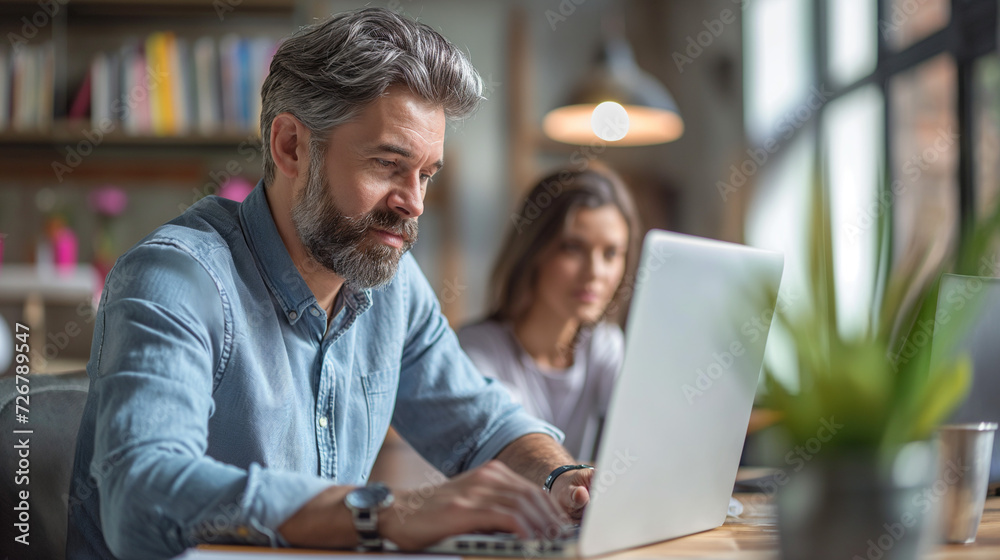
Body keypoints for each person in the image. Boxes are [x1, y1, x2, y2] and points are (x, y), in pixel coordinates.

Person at [66, 9, 594, 560]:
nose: (413, 202)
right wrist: (382, 514)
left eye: (427, 175)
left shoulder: (393, 287)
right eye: (388, 164)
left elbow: (484, 424)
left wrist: (565, 479)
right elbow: (141, 497)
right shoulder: (173, 280)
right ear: (291, 146)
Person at [458, 168, 640, 461]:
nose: (595, 273)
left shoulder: (604, 345)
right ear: (534, 251)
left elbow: (641, 433)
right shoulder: (476, 352)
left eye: (610, 254)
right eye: (573, 248)